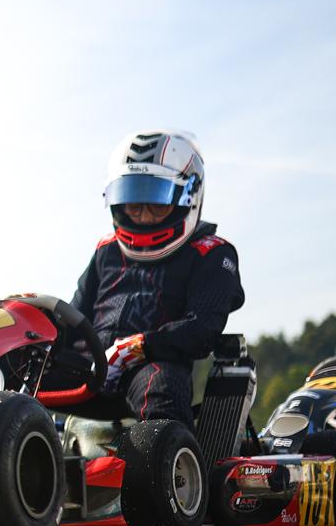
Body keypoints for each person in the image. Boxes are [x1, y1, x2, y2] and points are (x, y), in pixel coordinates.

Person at [70, 130, 245, 427]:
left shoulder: (212, 254)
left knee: (161, 386)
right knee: (5, 367)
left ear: (189, 195)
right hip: (89, 370)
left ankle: (165, 465)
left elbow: (201, 329)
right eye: (133, 203)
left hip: (148, 370)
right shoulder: (106, 251)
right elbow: (73, 320)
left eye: (156, 202)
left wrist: (136, 347)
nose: (143, 216)